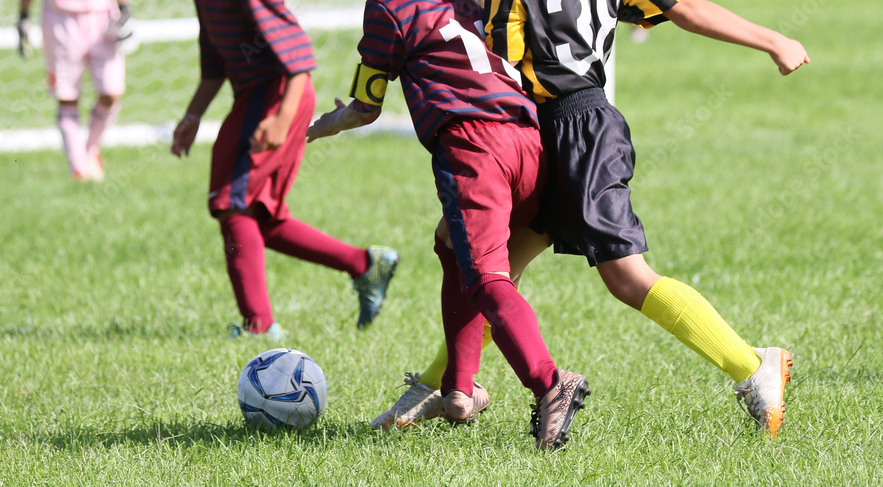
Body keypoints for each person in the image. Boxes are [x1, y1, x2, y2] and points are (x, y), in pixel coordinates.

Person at [372, 0, 808, 438]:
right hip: (543, 131)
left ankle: (753, 365)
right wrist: (773, 40)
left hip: (578, 131)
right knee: (484, 262)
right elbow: (687, 9)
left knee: (625, 277)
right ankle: (445, 384)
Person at [307, 0, 588, 450]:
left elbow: (365, 106)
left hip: (474, 146)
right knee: (450, 245)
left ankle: (550, 384)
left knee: (486, 279)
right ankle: (459, 390)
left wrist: (324, 125)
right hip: (530, 138)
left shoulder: (387, 7)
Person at [170, 0, 399, 341]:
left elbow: (297, 53)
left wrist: (282, 116)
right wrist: (193, 115)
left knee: (233, 202)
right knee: (260, 215)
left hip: (279, 94)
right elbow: (214, 65)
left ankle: (259, 327)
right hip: (257, 96)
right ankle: (364, 264)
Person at [18, 0, 135, 181]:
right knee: (67, 95)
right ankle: (78, 168)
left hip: (104, 15)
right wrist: (24, 16)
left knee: (111, 93)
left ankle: (90, 148)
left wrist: (125, 8)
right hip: (61, 17)